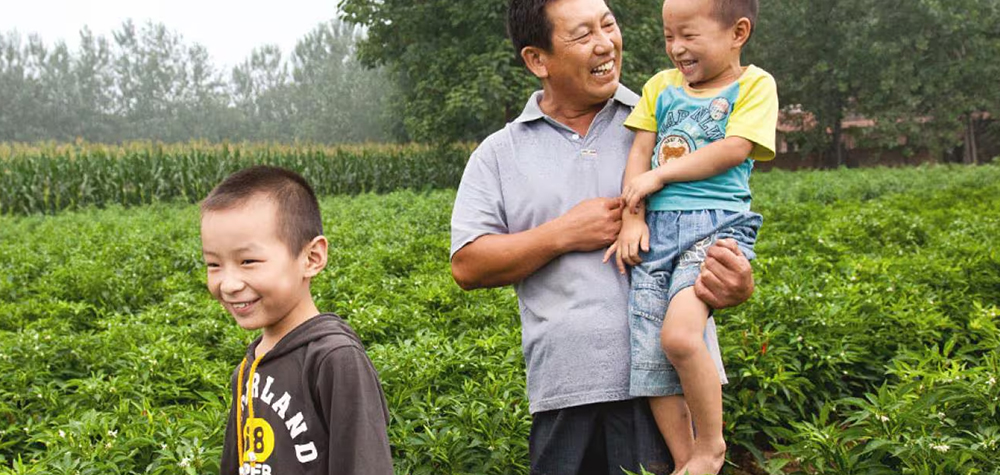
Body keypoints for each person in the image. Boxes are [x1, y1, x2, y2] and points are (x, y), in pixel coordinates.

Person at [450, 0, 756, 473]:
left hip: (671, 393)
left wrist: (737, 282)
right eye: (582, 34)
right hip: (565, 395)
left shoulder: (674, 116)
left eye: (608, 25)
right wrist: (562, 234)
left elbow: (724, 217)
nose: (605, 44)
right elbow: (468, 265)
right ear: (538, 59)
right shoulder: (499, 154)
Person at [606, 0, 778, 473]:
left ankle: (711, 446)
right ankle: (688, 461)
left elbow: (734, 148)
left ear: (738, 32)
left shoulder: (754, 85)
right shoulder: (660, 87)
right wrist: (632, 218)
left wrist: (661, 176)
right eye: (669, 36)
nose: (676, 48)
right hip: (656, 234)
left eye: (689, 35)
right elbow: (640, 152)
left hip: (714, 227)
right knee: (648, 358)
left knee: (680, 337)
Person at [202, 166, 393, 475]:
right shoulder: (246, 370)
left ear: (311, 258)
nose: (229, 284)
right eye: (213, 264)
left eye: (248, 261)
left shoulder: (335, 360)